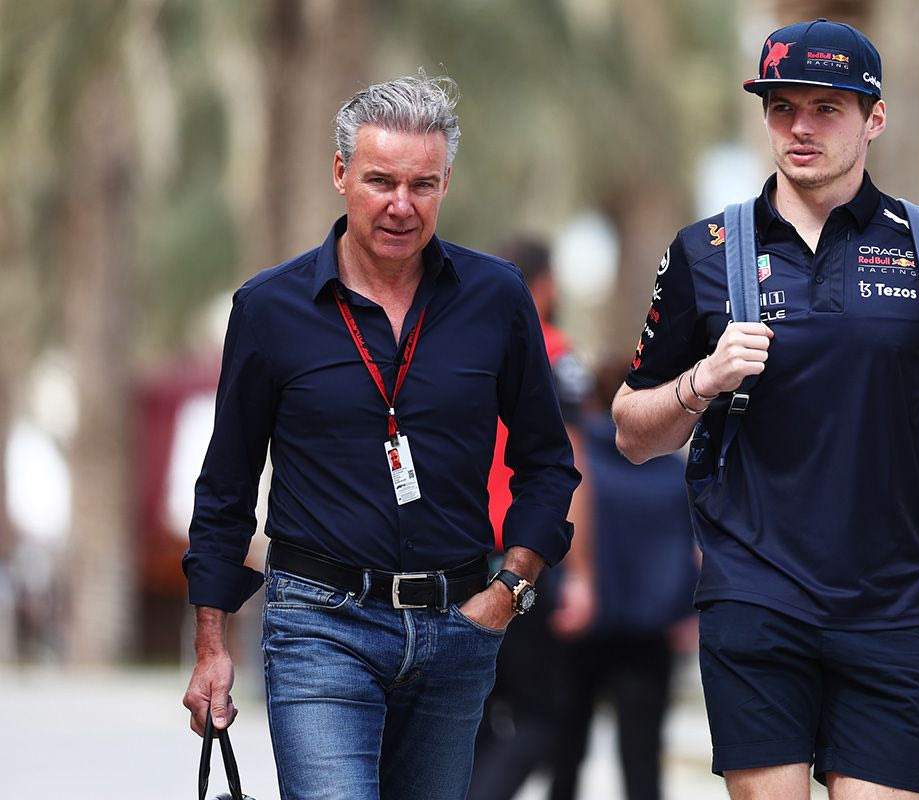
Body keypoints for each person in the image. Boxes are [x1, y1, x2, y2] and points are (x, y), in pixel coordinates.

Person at [612, 19, 919, 799]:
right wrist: (702, 380)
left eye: (827, 108)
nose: (800, 127)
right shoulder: (704, 251)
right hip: (753, 599)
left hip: (894, 610)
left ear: (874, 118)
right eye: (782, 107)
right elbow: (630, 432)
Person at [180, 75, 580, 800]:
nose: (402, 204)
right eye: (381, 181)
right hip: (319, 626)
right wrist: (211, 645)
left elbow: (548, 463)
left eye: (422, 184)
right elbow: (226, 486)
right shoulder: (270, 309)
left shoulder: (497, 298)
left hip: (457, 625)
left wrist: (510, 590)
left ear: (446, 182)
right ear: (341, 174)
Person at [469, 238, 596, 800]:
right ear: (543, 287)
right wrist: (583, 574)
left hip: (461, 555)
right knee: (541, 717)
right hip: (524, 559)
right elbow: (572, 468)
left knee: (469, 716)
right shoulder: (555, 352)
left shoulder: (464, 338)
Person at [547, 353, 699, 800]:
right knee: (642, 757)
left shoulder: (577, 463)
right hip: (651, 630)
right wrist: (690, 611)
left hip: (580, 623)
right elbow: (694, 548)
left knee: (565, 750)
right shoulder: (674, 471)